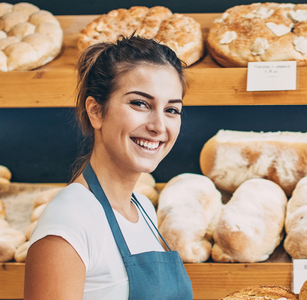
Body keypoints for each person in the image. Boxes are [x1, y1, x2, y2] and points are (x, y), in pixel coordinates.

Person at [24, 36, 193, 300]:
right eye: (140, 103)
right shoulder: (70, 221)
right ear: (96, 111)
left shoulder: (143, 209)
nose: (159, 126)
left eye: (172, 109)